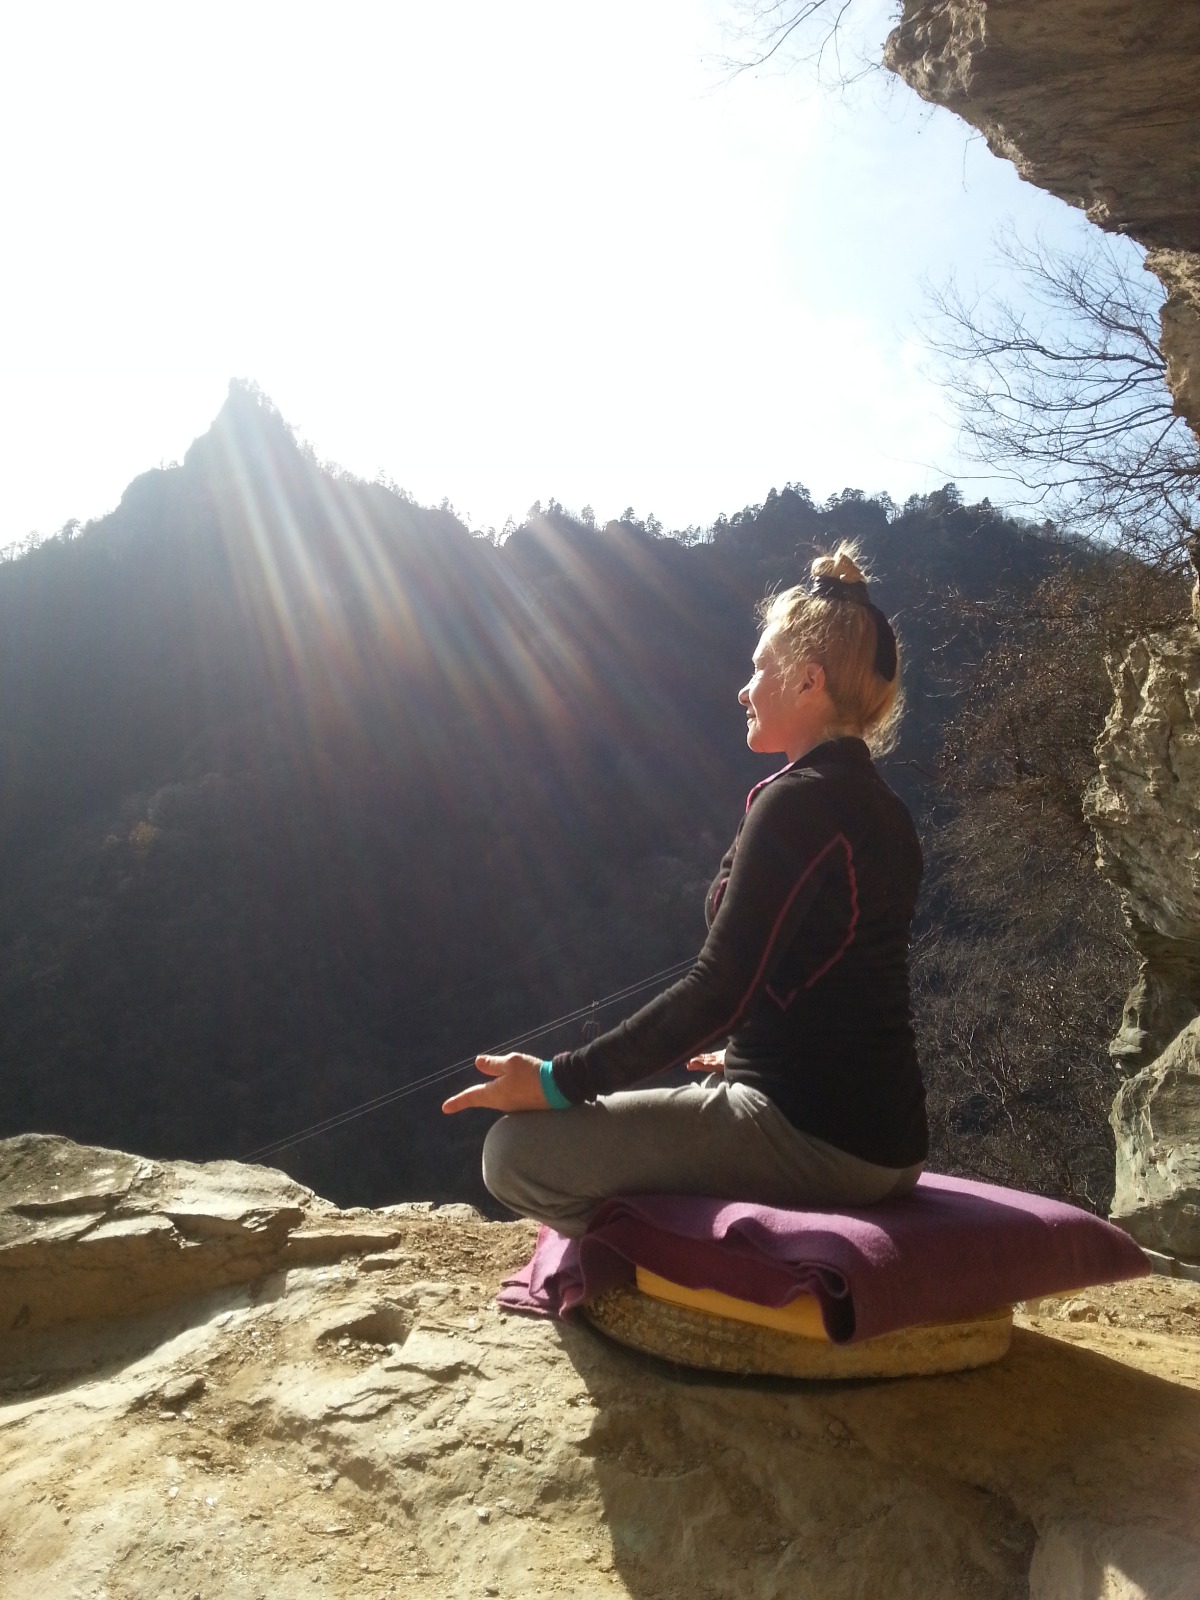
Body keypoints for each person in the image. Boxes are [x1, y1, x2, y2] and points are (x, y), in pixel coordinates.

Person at [442, 541, 928, 1237]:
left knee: (513, 1153)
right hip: (893, 1145)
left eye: (759, 668)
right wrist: (754, 1050)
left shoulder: (798, 803)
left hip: (811, 1136)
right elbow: (845, 975)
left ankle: (687, 1268)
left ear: (807, 681)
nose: (744, 690)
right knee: (683, 1105)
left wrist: (558, 1079)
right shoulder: (888, 813)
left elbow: (718, 989)